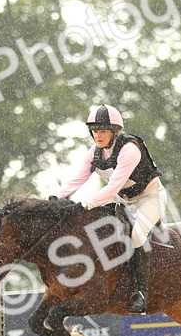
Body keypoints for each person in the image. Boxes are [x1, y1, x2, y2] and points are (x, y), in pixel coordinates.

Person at [55, 104, 168, 314]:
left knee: (137, 235)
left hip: (150, 198)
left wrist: (83, 204)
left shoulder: (129, 150)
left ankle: (141, 292)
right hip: (123, 200)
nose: (97, 135)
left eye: (103, 131)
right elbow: (78, 178)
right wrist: (58, 198)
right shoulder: (94, 153)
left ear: (115, 131)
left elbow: (113, 187)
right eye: (94, 131)